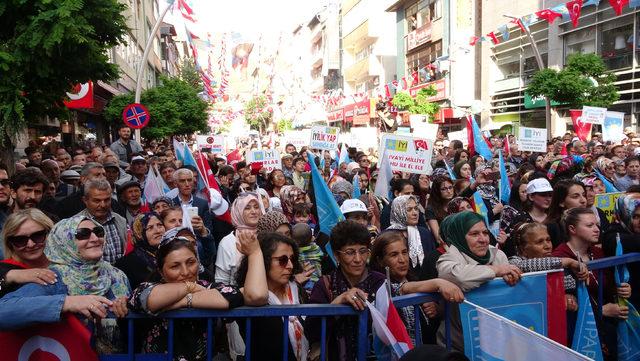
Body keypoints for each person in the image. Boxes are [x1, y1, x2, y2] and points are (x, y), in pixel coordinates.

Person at [0, 215, 130, 355]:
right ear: (65, 241)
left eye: (98, 231)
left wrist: (127, 305)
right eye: (82, 234)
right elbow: (4, 311)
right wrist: (66, 303)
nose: (94, 238)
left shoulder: (117, 275)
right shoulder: (53, 278)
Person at [128, 230, 267, 360]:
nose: (185, 271)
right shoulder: (147, 287)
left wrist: (255, 253)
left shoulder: (208, 286)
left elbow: (257, 296)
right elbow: (151, 299)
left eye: (191, 263)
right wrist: (191, 287)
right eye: (175, 266)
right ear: (161, 271)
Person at [552, 208, 631, 357]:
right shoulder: (559, 257)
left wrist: (623, 289)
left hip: (608, 329)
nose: (597, 230)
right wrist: (600, 311)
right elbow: (566, 301)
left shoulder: (599, 252)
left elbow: (609, 284)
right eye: (589, 226)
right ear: (572, 229)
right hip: (582, 333)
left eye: (597, 225)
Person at [436, 211, 521, 351]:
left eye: (485, 233)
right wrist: (496, 271)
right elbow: (460, 278)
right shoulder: (448, 259)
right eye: (474, 234)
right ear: (459, 237)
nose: (483, 240)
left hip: (497, 340)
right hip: (460, 344)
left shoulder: (497, 255)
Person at [309, 220, 386, 361]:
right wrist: (339, 301)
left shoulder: (380, 282)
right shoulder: (325, 285)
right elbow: (312, 331)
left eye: (363, 251)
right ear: (336, 255)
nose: (358, 259)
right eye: (350, 252)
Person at [370, 230, 464, 345]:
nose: (402, 260)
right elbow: (402, 288)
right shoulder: (379, 285)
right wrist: (438, 283)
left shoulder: (414, 279)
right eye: (394, 255)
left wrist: (436, 310)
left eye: (404, 252)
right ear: (380, 260)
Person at [236, 232, 308, 361]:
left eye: (292, 259)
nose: (290, 266)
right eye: (282, 260)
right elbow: (257, 295)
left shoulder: (297, 290)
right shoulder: (247, 295)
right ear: (264, 261)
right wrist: (254, 253)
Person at [508, 222, 588, 311]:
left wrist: (570, 298)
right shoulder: (514, 261)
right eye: (539, 242)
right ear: (523, 249)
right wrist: (569, 261)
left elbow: (570, 286)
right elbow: (523, 266)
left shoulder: (554, 262)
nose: (547, 246)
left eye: (548, 240)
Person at [0, 209, 56, 297]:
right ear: (10, 243)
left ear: (50, 234)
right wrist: (9, 276)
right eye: (20, 240)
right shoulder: (5, 268)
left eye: (37, 236)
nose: (31, 244)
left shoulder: (67, 260)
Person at [215, 192, 263, 285]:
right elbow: (221, 282)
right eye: (247, 208)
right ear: (238, 212)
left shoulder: (267, 235)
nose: (253, 211)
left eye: (256, 207)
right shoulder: (227, 242)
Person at [77, 179, 127, 264]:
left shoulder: (120, 220)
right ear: (85, 200)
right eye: (97, 201)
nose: (103, 205)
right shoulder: (75, 224)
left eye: (107, 200)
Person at [114, 213, 165, 289]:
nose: (157, 231)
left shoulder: (170, 253)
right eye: (150, 228)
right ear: (139, 233)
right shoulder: (126, 263)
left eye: (160, 225)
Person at [387, 195, 436, 271]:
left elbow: (432, 259)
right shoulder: (388, 235)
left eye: (416, 209)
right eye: (409, 209)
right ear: (398, 211)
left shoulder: (424, 233)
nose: (415, 213)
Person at [545, 180, 587, 247]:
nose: (583, 200)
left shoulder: (591, 220)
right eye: (575, 196)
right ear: (561, 202)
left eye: (584, 195)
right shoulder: (552, 227)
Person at [291, 223, 323, 292]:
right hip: (317, 279)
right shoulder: (316, 248)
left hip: (304, 280)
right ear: (311, 238)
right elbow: (321, 255)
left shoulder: (295, 253)